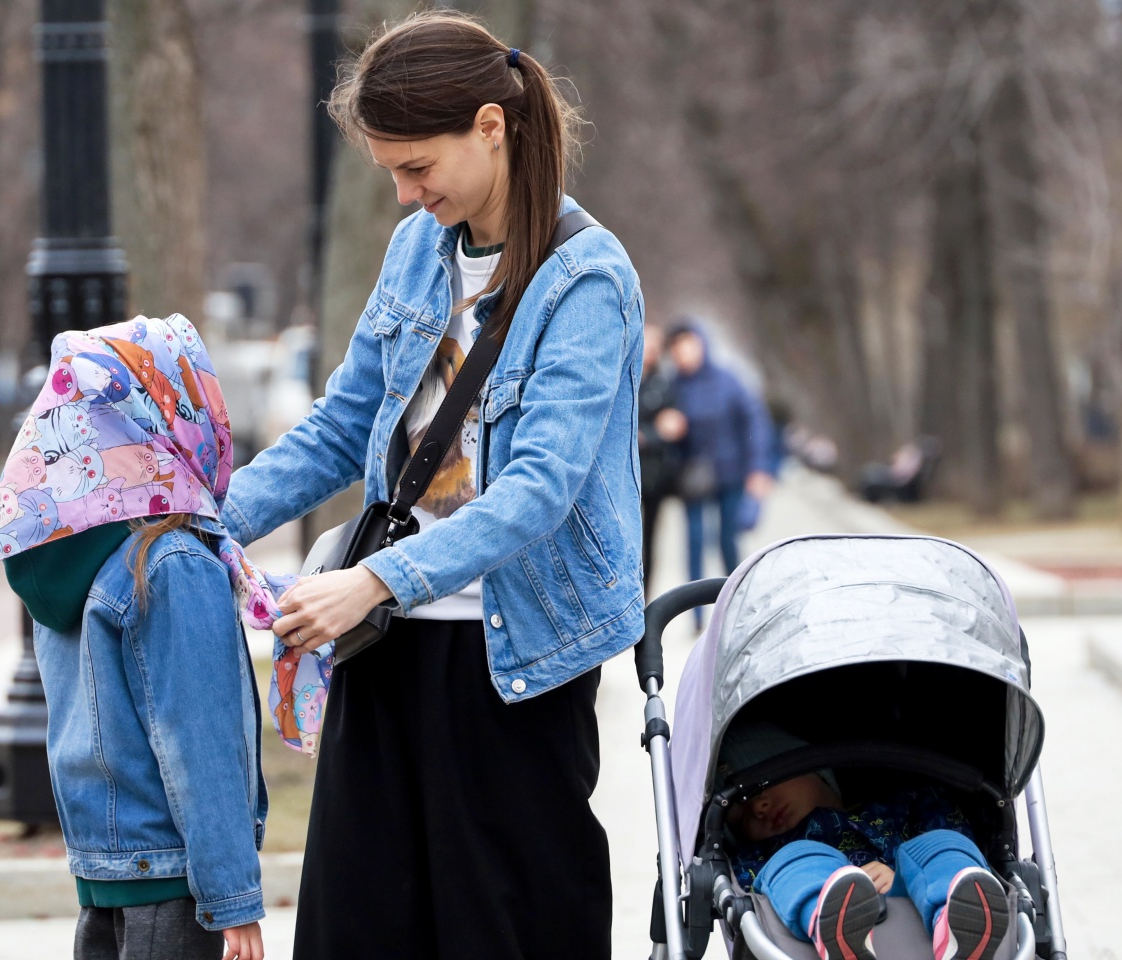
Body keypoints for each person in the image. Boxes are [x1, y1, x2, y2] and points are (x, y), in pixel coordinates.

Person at [218, 12, 643, 958]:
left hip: (517, 655)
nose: (408, 194)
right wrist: (212, 522)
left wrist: (372, 580)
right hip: (386, 644)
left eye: (419, 167)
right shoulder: (419, 249)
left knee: (505, 929)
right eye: (393, 174)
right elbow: (341, 427)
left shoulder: (587, 280)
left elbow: (539, 490)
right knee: (358, 928)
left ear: (491, 126)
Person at [0, 316, 273, 960]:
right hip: (178, 887)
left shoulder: (60, 554)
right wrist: (235, 900)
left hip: (104, 877)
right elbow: (200, 743)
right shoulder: (173, 564)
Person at [720, 722, 1011, 960]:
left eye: (761, 788)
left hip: (916, 891)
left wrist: (904, 881)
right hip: (817, 904)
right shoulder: (766, 852)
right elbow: (748, 887)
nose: (758, 809)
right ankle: (833, 921)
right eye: (740, 818)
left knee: (943, 844)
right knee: (791, 863)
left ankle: (957, 920)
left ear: (805, 764)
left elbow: (961, 831)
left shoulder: (902, 802)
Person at [667, 321, 774, 585]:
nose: (684, 354)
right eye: (678, 350)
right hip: (692, 475)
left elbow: (754, 423)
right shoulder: (672, 388)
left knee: (728, 540)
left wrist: (758, 468)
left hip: (731, 473)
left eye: (688, 347)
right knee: (694, 541)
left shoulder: (728, 380)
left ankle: (735, 599)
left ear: (701, 344)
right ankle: (694, 612)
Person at [640, 322, 686, 589]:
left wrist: (649, 435)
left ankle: (647, 604)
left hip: (656, 478)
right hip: (624, 479)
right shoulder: (623, 380)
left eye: (656, 343)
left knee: (651, 543)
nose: (652, 349)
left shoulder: (664, 385)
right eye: (648, 341)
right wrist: (651, 432)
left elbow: (675, 426)